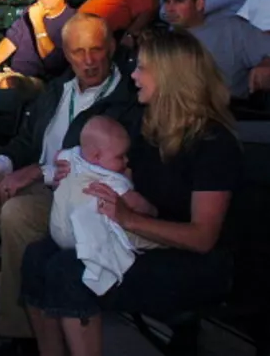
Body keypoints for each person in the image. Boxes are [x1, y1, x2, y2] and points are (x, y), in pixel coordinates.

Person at [21, 29, 240, 356]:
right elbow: (114, 168)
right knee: (37, 256)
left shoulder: (213, 143)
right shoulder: (148, 127)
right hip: (143, 241)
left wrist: (128, 218)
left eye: (142, 68)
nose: (133, 75)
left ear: (170, 76)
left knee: (69, 271)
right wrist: (76, 166)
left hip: (196, 262)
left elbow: (203, 238)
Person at [0, 13, 141, 355]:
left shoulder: (125, 101)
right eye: (78, 52)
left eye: (96, 50)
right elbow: (25, 143)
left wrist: (37, 173)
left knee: (18, 213)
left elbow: (101, 168)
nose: (88, 61)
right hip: (41, 180)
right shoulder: (58, 90)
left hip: (78, 195)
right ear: (66, 52)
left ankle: (19, 332)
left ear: (111, 47)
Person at [47, 116, 160, 298]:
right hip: (84, 241)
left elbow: (57, 156)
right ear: (97, 157)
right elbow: (135, 203)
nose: (126, 161)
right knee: (143, 237)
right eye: (120, 156)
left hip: (58, 230)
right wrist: (153, 211)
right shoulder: (111, 179)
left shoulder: (71, 157)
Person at [159, 0, 270, 100]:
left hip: (228, 112)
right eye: (167, 1)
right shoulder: (161, 40)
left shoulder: (231, 30)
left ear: (199, 4)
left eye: (179, 1)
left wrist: (266, 64)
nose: (170, 9)